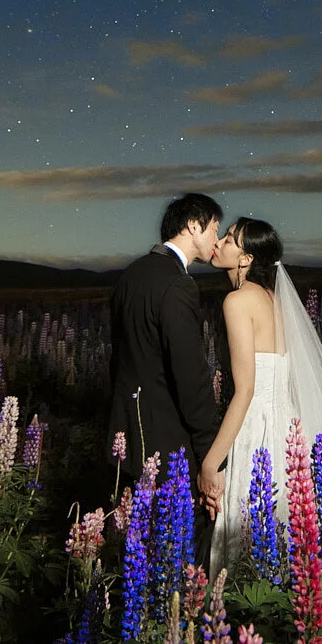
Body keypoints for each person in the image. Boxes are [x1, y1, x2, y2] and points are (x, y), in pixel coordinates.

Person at [200, 216, 322, 577]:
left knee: (250, 531)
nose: (220, 242)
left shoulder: (238, 301)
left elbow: (245, 391)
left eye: (229, 239)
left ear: (246, 259)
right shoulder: (273, 299)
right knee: (286, 532)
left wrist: (212, 463)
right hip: (288, 428)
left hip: (255, 428)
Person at [107, 193, 223, 497]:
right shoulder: (177, 283)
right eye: (214, 227)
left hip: (127, 438)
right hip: (169, 445)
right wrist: (210, 451)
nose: (217, 238)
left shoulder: (132, 273)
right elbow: (190, 375)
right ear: (193, 226)